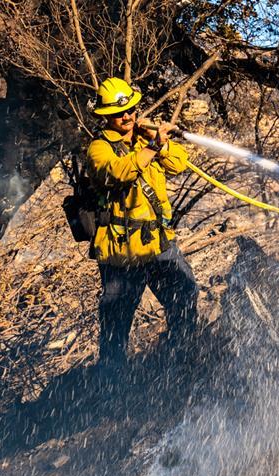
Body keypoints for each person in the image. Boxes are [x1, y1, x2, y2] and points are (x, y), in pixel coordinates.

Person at [86, 76, 198, 366]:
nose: (127, 116)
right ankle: (112, 392)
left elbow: (178, 164)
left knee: (185, 298)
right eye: (118, 113)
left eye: (131, 110)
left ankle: (180, 364)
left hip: (159, 246)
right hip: (123, 254)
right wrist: (149, 148)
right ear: (106, 116)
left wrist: (160, 142)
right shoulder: (99, 148)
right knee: (115, 328)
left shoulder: (143, 138)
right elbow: (118, 172)